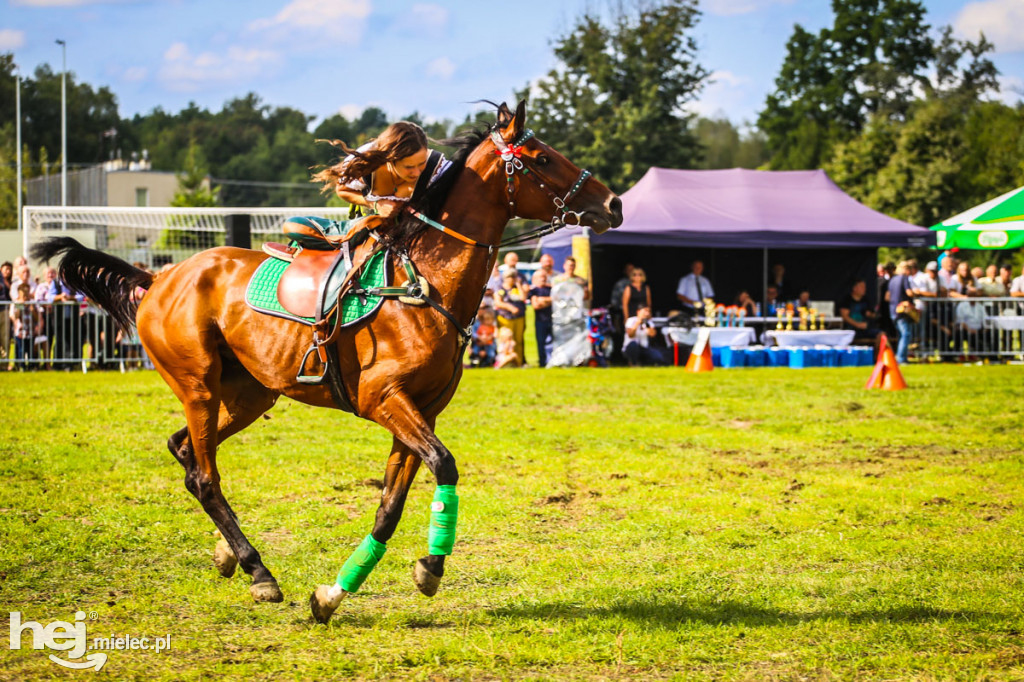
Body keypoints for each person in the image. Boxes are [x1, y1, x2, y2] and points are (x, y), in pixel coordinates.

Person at [315, 121, 449, 221]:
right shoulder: (365, 164)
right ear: (390, 160)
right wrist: (375, 205)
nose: (417, 172)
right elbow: (342, 190)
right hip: (371, 231)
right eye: (409, 167)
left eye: (422, 164)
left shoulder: (440, 168)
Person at [494, 270, 527, 367]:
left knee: (518, 341)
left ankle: (518, 362)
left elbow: (523, 297)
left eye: (514, 277)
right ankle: (504, 363)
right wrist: (510, 307)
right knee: (506, 340)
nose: (512, 279)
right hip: (505, 318)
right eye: (510, 277)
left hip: (519, 318)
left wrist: (519, 285)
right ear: (505, 278)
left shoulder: (516, 288)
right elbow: (498, 302)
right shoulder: (500, 289)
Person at [9, 283, 42, 369]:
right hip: (20, 332)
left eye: (26, 294)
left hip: (30, 331)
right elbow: (16, 316)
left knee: (30, 349)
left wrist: (32, 310)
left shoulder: (32, 303)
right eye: (23, 295)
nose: (25, 297)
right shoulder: (18, 303)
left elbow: (37, 318)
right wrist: (21, 307)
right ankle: (22, 365)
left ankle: (31, 365)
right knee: (21, 349)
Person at [888, 261, 915, 364]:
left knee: (901, 335)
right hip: (902, 311)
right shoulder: (904, 278)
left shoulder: (892, 280)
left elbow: (887, 297)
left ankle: (900, 356)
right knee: (906, 334)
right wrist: (916, 293)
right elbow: (909, 292)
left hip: (892, 310)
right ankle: (901, 358)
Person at [530, 270, 553, 368]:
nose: (543, 278)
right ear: (535, 279)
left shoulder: (551, 289)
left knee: (553, 342)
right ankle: (542, 363)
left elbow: (556, 299)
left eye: (544, 276)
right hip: (540, 321)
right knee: (541, 342)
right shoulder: (534, 291)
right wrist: (549, 300)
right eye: (540, 276)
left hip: (552, 320)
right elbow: (536, 305)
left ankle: (552, 361)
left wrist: (542, 300)